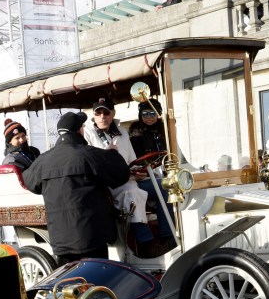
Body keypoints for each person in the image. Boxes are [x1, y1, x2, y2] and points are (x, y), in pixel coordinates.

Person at [23, 112, 130, 264]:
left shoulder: (43, 160)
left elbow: (30, 183)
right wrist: (113, 153)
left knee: (68, 278)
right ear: (79, 130)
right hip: (92, 236)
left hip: (61, 239)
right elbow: (122, 174)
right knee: (95, 277)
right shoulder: (89, 154)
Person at [85, 97, 174, 255]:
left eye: (106, 112)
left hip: (129, 179)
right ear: (94, 115)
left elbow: (132, 160)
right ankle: (146, 244)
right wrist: (108, 156)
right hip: (108, 185)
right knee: (133, 194)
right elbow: (90, 164)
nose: (102, 116)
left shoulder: (122, 133)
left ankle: (168, 237)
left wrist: (139, 171)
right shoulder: (87, 134)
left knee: (164, 185)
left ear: (113, 113)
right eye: (98, 113)